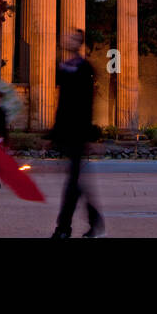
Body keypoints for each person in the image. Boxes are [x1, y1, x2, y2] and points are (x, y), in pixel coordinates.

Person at [48, 28, 104, 238]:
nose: (66, 39)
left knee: (72, 182)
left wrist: (89, 134)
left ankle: (63, 228)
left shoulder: (85, 67)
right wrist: (54, 132)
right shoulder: (63, 67)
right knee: (76, 182)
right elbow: (61, 103)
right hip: (66, 130)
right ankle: (95, 220)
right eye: (66, 36)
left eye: (72, 37)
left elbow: (87, 103)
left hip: (78, 131)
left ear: (79, 42)